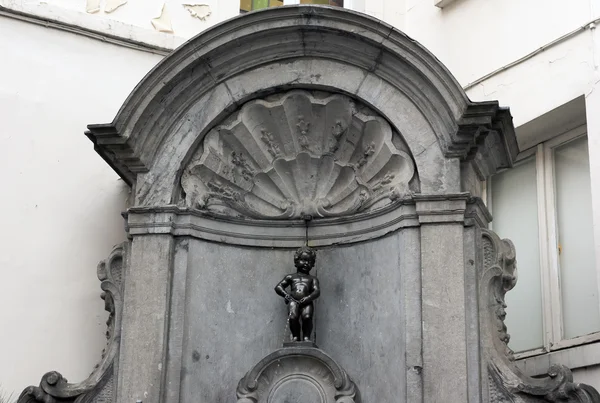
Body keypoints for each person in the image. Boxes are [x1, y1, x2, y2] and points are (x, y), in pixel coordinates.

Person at [274, 246, 321, 342]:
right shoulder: (291, 277)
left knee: (307, 317)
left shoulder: (312, 279)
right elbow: (278, 287)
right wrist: (286, 295)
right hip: (293, 301)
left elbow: (316, 291)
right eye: (303, 260)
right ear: (296, 261)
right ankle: (296, 336)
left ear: (313, 264)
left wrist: (308, 298)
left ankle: (306, 337)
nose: (306, 264)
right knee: (292, 317)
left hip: (307, 302)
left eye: (309, 261)